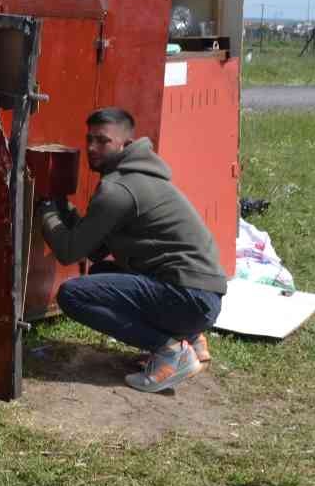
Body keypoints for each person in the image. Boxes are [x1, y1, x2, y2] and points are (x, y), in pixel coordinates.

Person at [35, 107, 227, 393]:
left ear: (124, 144)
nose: (91, 148)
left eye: (102, 141)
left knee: (73, 295)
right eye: (89, 139)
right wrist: (64, 207)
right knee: (101, 272)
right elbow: (96, 250)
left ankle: (171, 351)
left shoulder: (118, 189)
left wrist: (46, 209)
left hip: (189, 298)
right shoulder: (139, 177)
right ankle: (191, 338)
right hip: (200, 297)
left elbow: (68, 251)